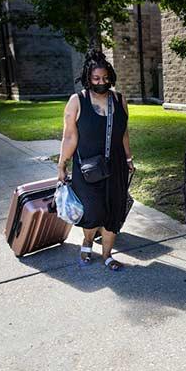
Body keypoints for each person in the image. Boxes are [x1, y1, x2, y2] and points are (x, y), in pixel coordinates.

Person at [57, 50, 135, 271]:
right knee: (92, 212)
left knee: (114, 212)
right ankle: (88, 241)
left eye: (105, 78)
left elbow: (123, 132)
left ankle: (107, 255)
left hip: (116, 166)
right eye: (96, 79)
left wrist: (128, 157)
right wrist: (62, 164)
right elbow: (70, 136)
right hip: (87, 169)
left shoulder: (119, 100)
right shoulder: (77, 101)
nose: (102, 83)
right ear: (87, 78)